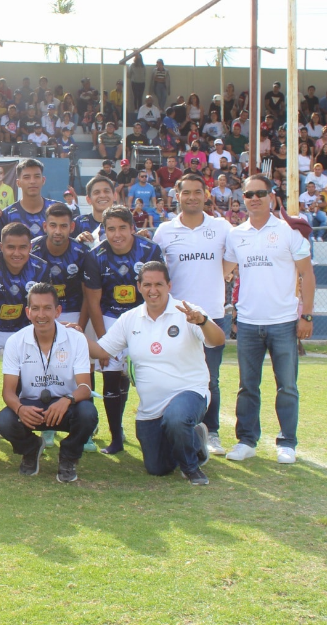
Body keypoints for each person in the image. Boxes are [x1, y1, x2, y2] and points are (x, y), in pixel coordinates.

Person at [87, 261, 223, 484]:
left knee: (177, 418)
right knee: (157, 467)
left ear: (169, 285)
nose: (153, 290)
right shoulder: (130, 319)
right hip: (151, 408)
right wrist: (75, 337)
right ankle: (195, 439)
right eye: (147, 284)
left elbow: (216, 341)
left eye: (159, 284)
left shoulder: (188, 312)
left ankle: (191, 468)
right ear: (139, 286)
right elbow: (102, 350)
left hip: (190, 392)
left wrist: (203, 321)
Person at [222, 175, 315, 464]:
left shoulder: (289, 232)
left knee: (287, 386)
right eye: (249, 194)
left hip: (284, 322)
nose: (254, 198)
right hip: (249, 323)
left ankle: (287, 442)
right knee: (247, 386)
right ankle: (247, 440)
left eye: (260, 193)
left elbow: (307, 275)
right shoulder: (236, 235)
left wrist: (307, 315)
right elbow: (224, 270)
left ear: (271, 197)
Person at [153, 174, 234, 455]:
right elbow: (158, 271)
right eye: (185, 192)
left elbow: (230, 263)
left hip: (211, 315)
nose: (191, 197)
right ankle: (177, 428)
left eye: (197, 192)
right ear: (176, 195)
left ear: (206, 194)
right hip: (176, 317)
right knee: (175, 375)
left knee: (211, 378)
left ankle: (211, 433)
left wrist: (213, 284)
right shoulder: (165, 231)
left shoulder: (222, 227)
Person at [0, 283, 98, 482]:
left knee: (88, 413)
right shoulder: (15, 341)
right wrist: (20, 409)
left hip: (65, 405)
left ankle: (68, 457)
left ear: (58, 311)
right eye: (36, 308)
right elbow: (8, 392)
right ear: (28, 312)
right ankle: (31, 449)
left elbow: (85, 388)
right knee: (4, 420)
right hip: (32, 407)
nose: (41, 314)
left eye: (47, 308)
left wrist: (67, 399)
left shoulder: (76, 339)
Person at [82, 205, 164, 455]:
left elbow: (158, 289)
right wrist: (104, 342)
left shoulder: (150, 250)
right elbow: (93, 302)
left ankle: (157, 431)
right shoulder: (95, 256)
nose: (116, 234)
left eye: (122, 228)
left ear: (132, 228)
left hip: (143, 316)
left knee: (145, 374)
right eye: (110, 229)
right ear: (103, 231)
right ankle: (116, 436)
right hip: (110, 318)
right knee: (111, 375)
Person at [0, 222, 50, 456]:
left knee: (34, 375)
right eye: (11, 247)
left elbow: (42, 307)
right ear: (1, 247)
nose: (17, 253)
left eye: (23, 247)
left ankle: (31, 430)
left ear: (30, 248)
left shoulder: (40, 267)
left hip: (24, 329)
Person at [1, 159, 59, 239]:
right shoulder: (7, 215)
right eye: (26, 177)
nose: (32, 181)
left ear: (43, 180)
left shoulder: (57, 209)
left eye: (37, 176)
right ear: (18, 183)